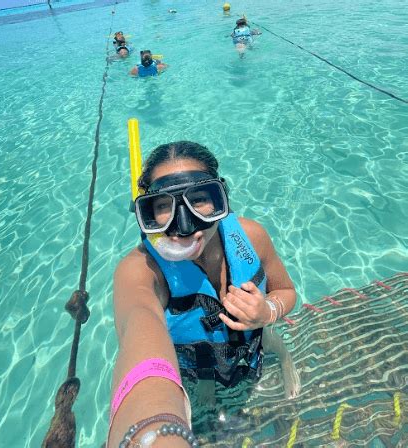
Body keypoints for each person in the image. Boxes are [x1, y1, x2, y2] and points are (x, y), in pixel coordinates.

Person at [107, 142, 300, 447]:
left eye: (198, 200)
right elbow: (139, 332)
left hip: (253, 349)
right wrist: (151, 431)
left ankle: (285, 357)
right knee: (208, 405)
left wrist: (268, 311)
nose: (184, 228)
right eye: (163, 207)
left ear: (220, 198)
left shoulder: (251, 236)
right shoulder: (141, 271)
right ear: (147, 214)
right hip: (196, 367)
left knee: (265, 337)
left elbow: (286, 291)